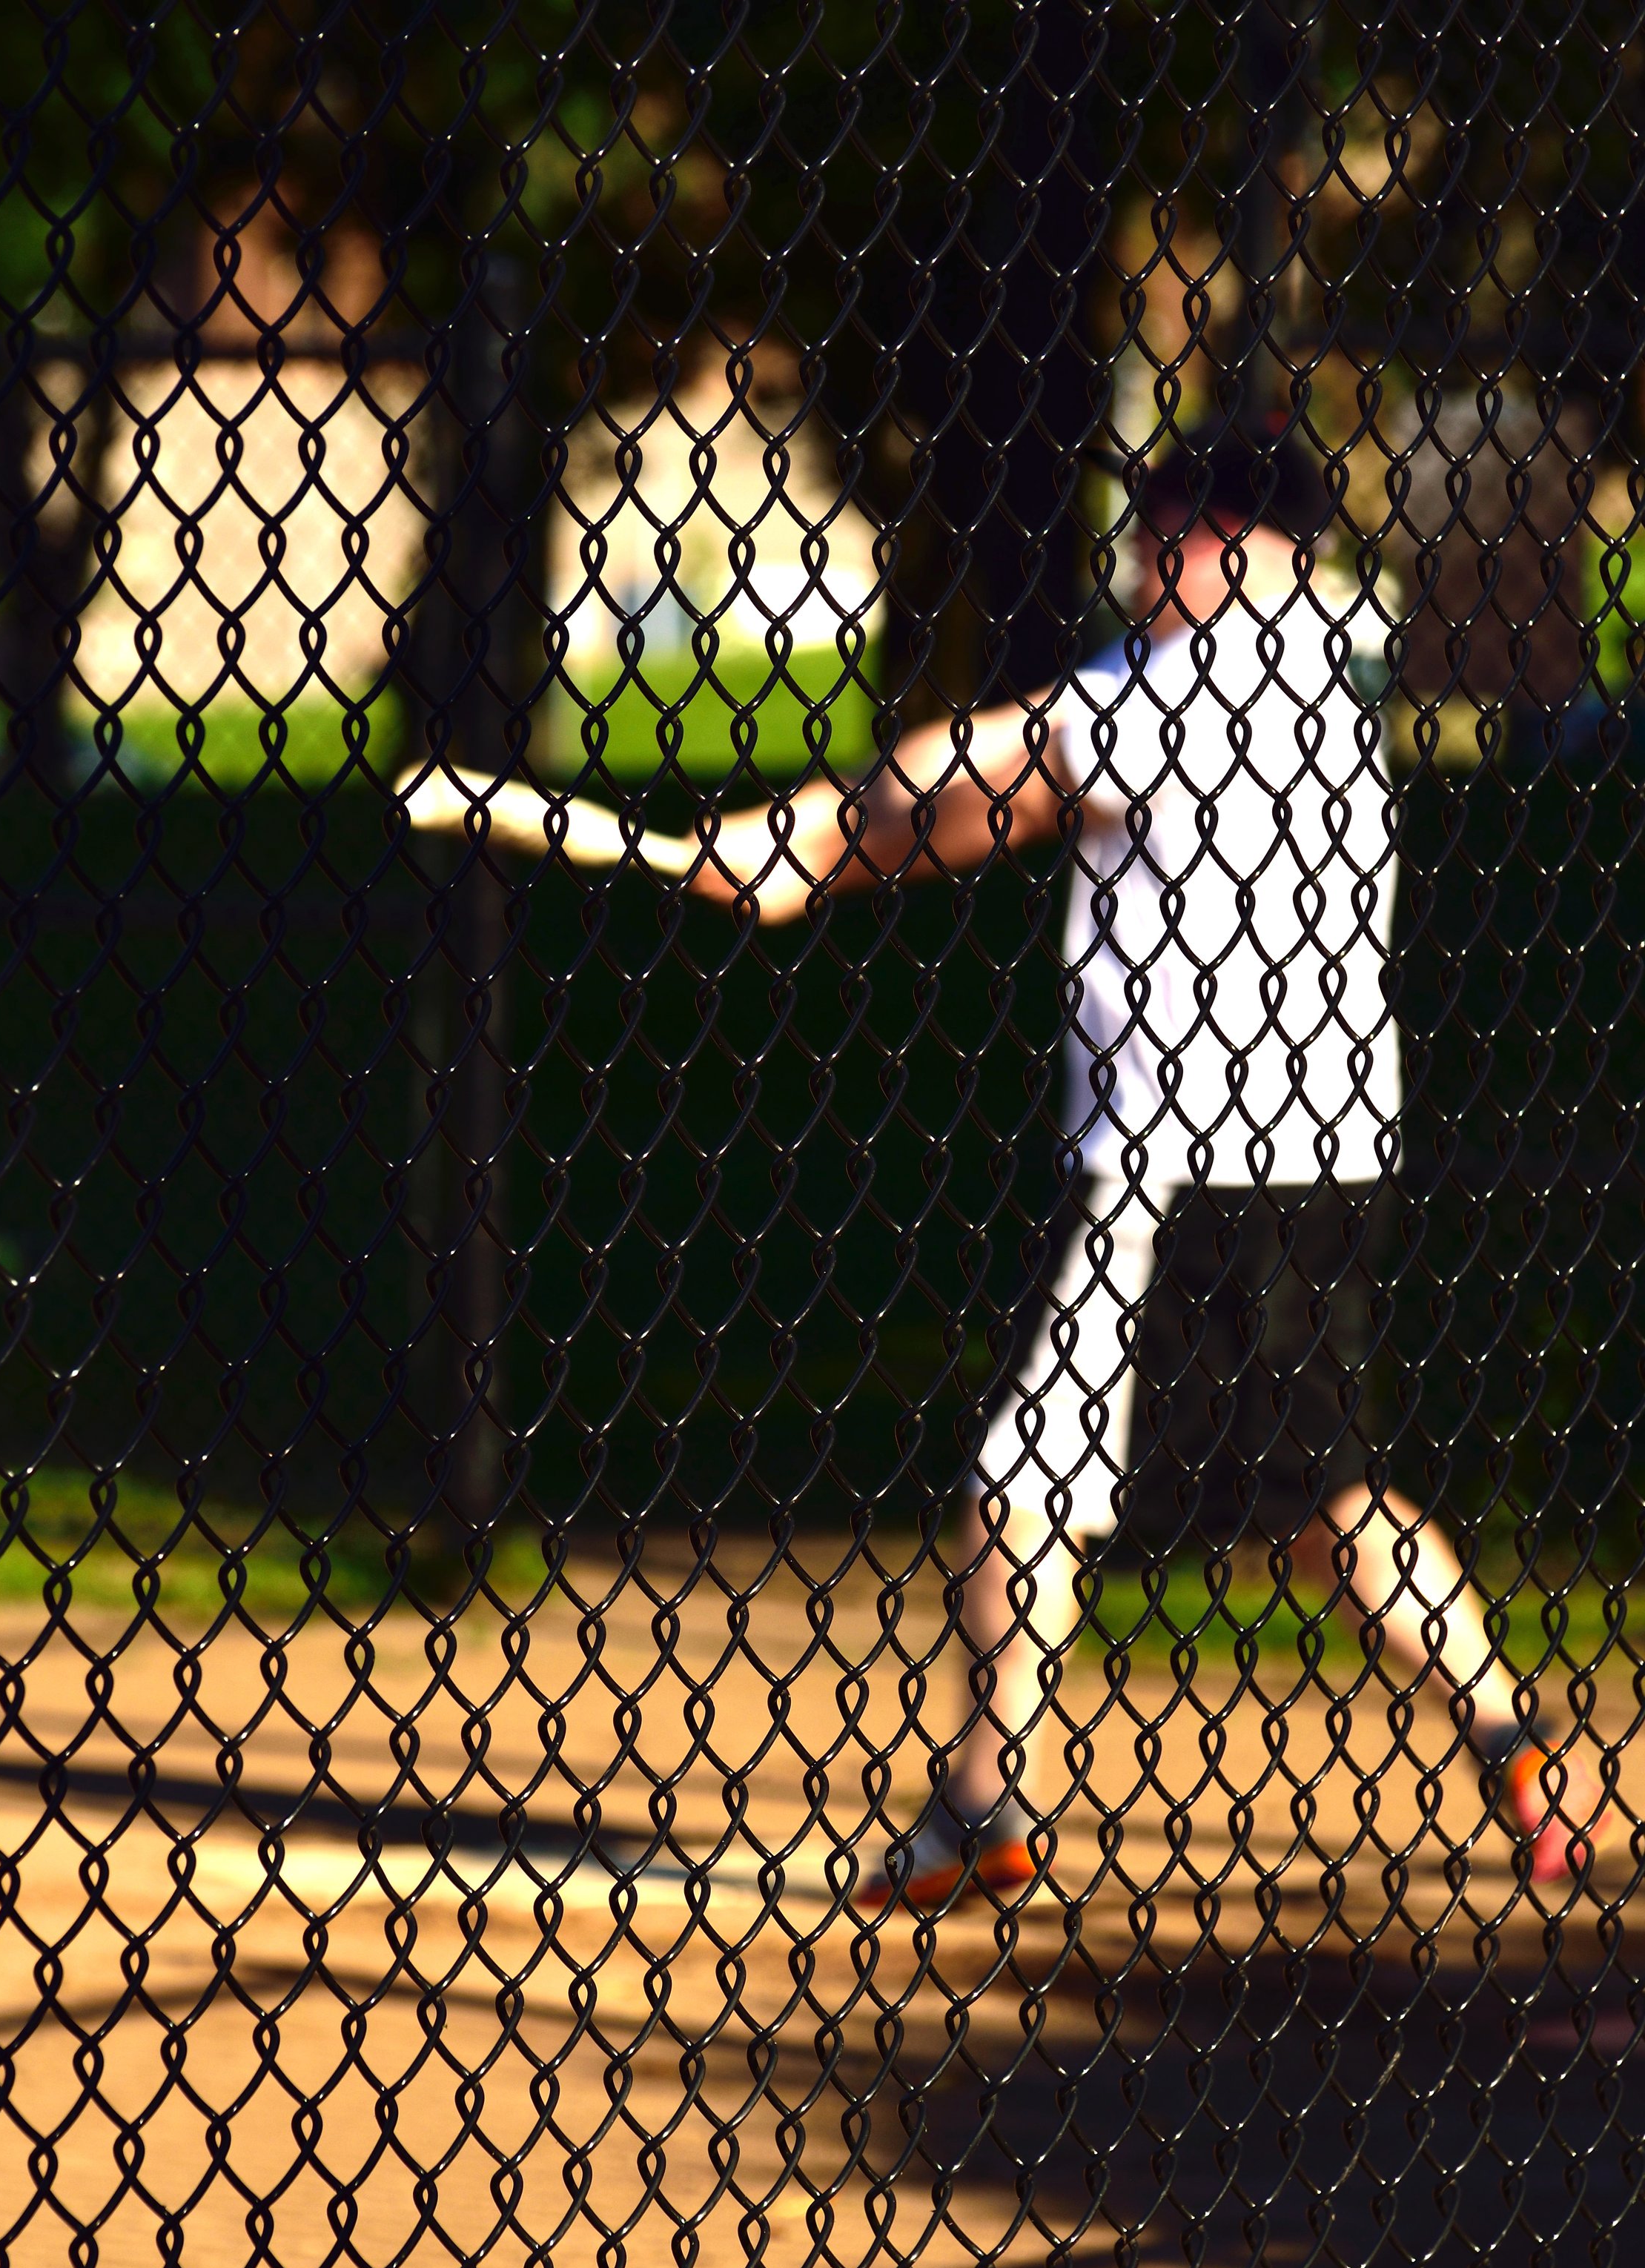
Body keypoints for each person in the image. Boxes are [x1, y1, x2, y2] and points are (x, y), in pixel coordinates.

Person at [686, 424, 1611, 1903]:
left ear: (1242, 542)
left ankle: (983, 1806)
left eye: (1165, 533)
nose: (1135, 559)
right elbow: (1016, 784)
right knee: (1320, 1500)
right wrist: (834, 841)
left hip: (1169, 1163)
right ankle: (1508, 1724)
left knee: (1021, 1483)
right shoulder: (1327, 673)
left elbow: (992, 772)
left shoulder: (1183, 687)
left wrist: (807, 838)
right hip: (1327, 1158)